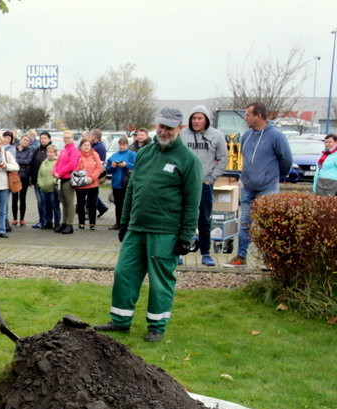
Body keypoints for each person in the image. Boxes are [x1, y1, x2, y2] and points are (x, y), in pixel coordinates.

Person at [94, 107, 201, 342]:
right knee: (124, 273)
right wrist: (124, 222)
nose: (163, 132)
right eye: (161, 126)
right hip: (136, 228)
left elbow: (193, 202)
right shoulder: (145, 153)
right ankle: (120, 321)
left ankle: (157, 326)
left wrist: (185, 236)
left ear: (180, 129)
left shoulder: (189, 160)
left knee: (160, 280)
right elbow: (132, 188)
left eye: (169, 128)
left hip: (165, 231)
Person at [225, 102, 291, 267]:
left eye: (248, 114)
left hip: (267, 188)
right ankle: (241, 256)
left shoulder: (276, 135)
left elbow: (287, 160)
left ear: (259, 116)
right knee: (245, 223)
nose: (245, 118)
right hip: (247, 187)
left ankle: (268, 260)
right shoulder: (246, 135)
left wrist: (275, 176)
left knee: (267, 225)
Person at [181, 105, 227, 267]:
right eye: (194, 118)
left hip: (204, 184)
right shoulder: (183, 135)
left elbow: (223, 159)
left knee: (204, 219)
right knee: (182, 217)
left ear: (206, 119)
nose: (196, 121)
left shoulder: (217, 135)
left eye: (200, 118)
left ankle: (206, 253)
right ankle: (179, 252)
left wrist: (212, 178)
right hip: (184, 184)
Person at [51, 130, 80, 233]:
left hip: (68, 178)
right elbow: (57, 163)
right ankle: (64, 223)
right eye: (65, 137)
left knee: (69, 202)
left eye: (68, 137)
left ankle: (69, 224)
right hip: (62, 178)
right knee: (63, 201)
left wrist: (60, 173)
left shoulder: (74, 150)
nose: (66, 139)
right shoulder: (64, 150)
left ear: (72, 138)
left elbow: (72, 165)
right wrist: (54, 171)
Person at [105, 136, 136, 231]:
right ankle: (118, 223)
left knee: (127, 205)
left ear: (127, 145)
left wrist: (126, 164)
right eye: (120, 145)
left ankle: (127, 224)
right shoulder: (114, 156)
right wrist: (113, 166)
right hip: (116, 184)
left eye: (124, 145)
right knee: (118, 205)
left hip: (127, 184)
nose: (122, 147)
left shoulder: (132, 154)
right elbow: (107, 169)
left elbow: (137, 165)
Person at [74, 138, 104, 230]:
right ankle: (81, 223)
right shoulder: (77, 155)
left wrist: (92, 178)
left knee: (92, 204)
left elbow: (99, 168)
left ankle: (92, 224)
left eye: (88, 145)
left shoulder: (95, 154)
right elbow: (75, 168)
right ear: (81, 146)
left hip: (93, 184)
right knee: (80, 204)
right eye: (84, 145)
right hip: (81, 184)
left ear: (91, 146)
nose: (86, 147)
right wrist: (84, 178)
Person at [29, 131, 53, 228]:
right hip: (37, 182)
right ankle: (41, 221)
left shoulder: (52, 150)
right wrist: (31, 179)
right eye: (41, 138)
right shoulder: (37, 150)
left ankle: (48, 221)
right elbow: (32, 165)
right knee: (40, 202)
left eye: (45, 138)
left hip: (48, 182)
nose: (43, 140)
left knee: (47, 202)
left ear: (49, 139)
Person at [37, 144, 61, 230]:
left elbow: (59, 174)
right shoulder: (44, 162)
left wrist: (55, 182)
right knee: (46, 207)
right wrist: (39, 184)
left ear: (55, 153)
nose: (49, 154)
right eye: (48, 152)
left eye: (51, 152)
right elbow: (39, 174)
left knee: (55, 206)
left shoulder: (58, 162)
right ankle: (48, 222)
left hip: (53, 188)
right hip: (44, 188)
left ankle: (57, 223)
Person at [13, 134, 34, 227]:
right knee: (14, 198)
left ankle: (22, 219)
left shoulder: (29, 150)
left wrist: (16, 161)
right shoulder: (14, 149)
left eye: (27, 141)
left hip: (24, 176)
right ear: (20, 139)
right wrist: (20, 161)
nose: (25, 142)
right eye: (24, 140)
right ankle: (14, 218)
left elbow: (28, 161)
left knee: (22, 198)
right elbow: (11, 160)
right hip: (14, 176)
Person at [90, 129, 110, 218]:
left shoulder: (99, 147)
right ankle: (101, 207)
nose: (90, 136)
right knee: (91, 193)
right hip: (92, 172)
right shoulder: (95, 145)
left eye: (91, 135)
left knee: (92, 193)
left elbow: (100, 161)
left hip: (96, 173)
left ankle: (97, 208)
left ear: (95, 136)